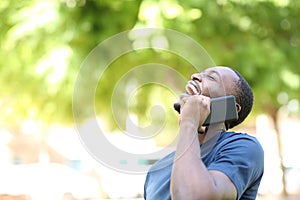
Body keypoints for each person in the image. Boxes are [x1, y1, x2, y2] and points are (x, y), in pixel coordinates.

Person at [144, 66, 264, 200]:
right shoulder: (158, 169)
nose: (194, 76)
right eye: (199, 74)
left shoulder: (245, 147)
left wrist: (189, 122)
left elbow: (191, 196)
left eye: (211, 77)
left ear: (229, 107)